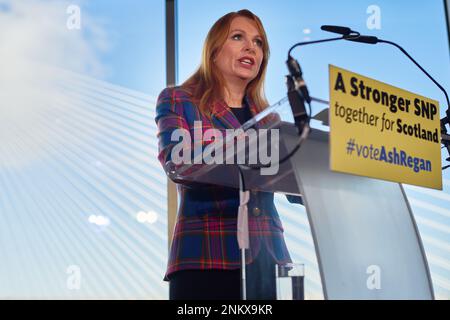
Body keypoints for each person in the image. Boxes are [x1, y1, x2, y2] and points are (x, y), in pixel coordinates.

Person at [155, 9, 301, 300]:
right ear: (213, 51)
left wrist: (319, 158)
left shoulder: (269, 120)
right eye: (238, 37)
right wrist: (243, 146)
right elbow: (177, 162)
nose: (251, 48)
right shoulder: (178, 99)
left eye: (259, 43)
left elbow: (295, 190)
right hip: (205, 257)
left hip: (266, 259)